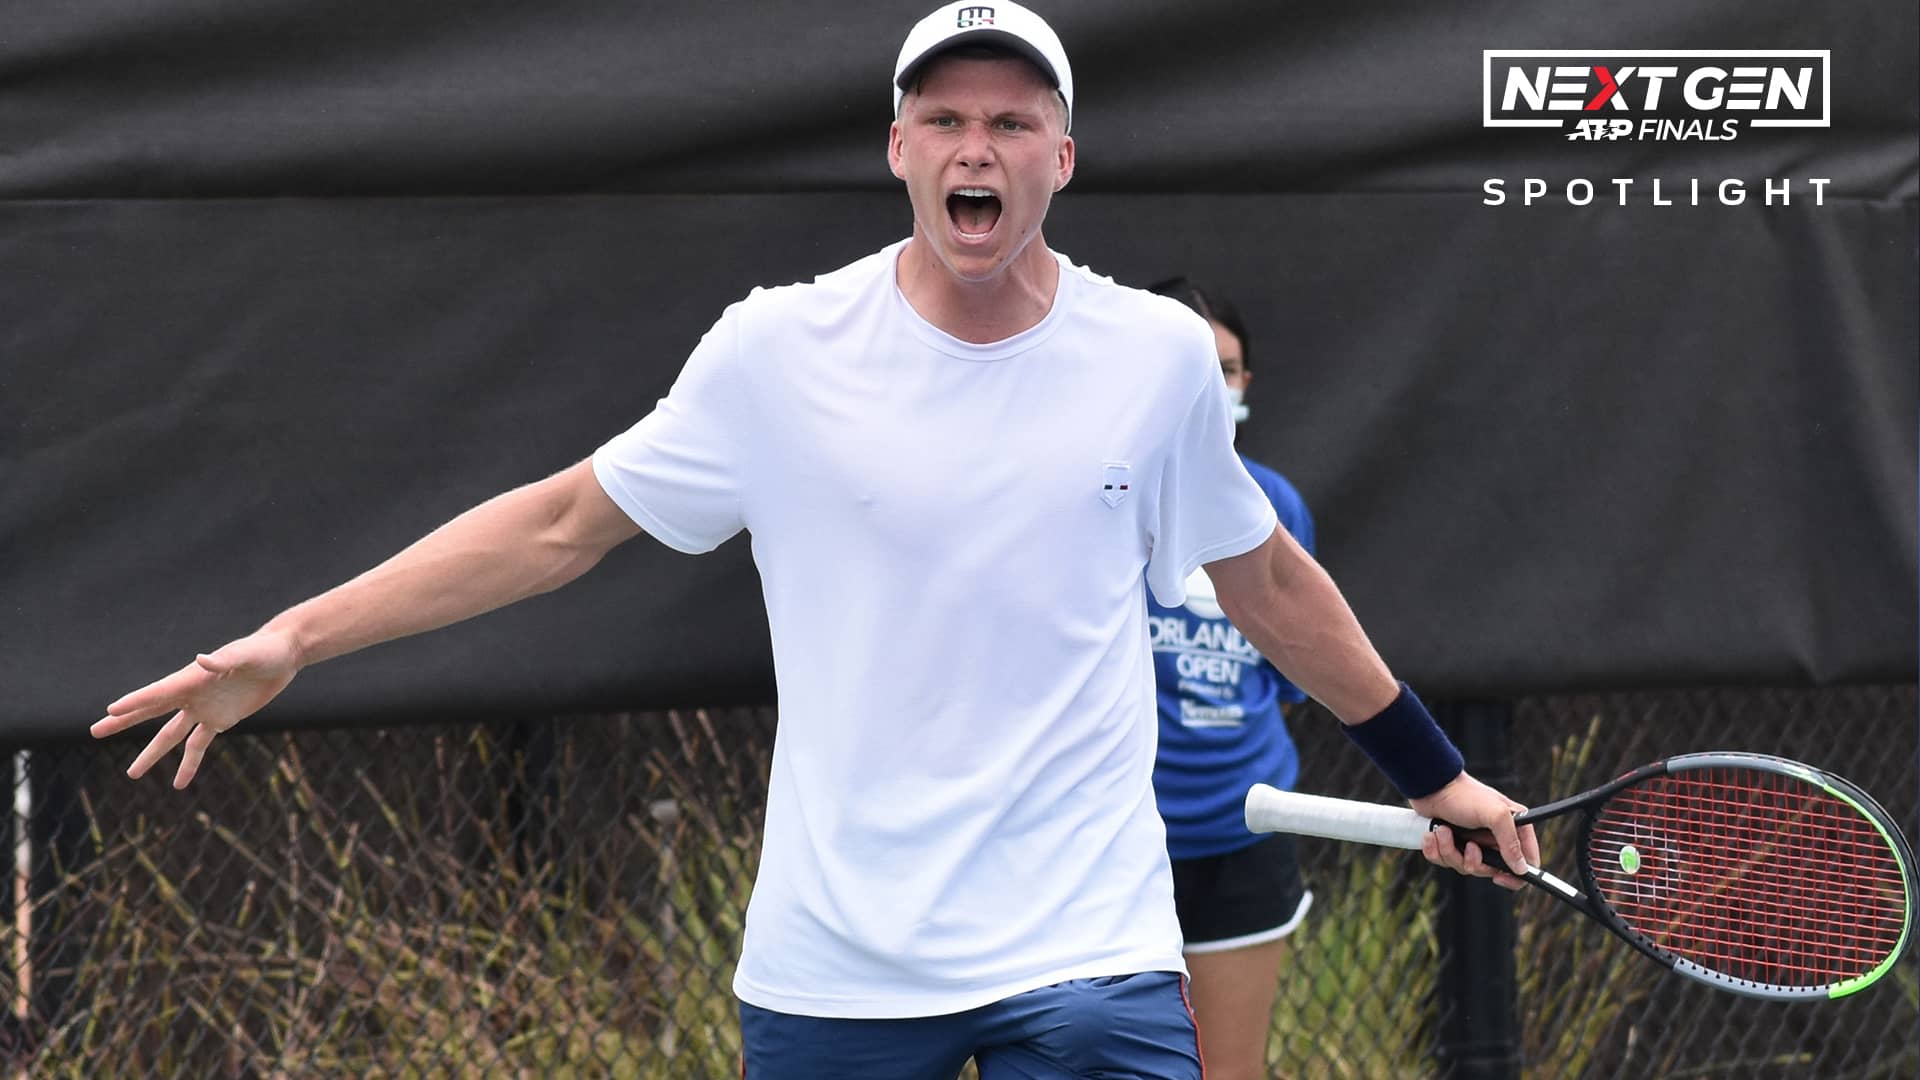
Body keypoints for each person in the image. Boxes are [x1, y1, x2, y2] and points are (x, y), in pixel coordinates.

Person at [90, 4, 1539, 1077]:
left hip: (1087, 953)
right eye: (949, 120)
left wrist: (1436, 772)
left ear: (1062, 158)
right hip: (836, 963)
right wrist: (293, 638)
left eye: (1013, 122)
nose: (979, 148)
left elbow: (1270, 585)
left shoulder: (1155, 359)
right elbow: (558, 525)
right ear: (900, 147)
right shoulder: (776, 350)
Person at [1145, 277, 1315, 1080]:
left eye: (1230, 367)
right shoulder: (1089, 496)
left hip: (1242, 845)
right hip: (1107, 847)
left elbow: (1284, 681)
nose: (1214, 385)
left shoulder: (1277, 506)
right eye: (1193, 362)